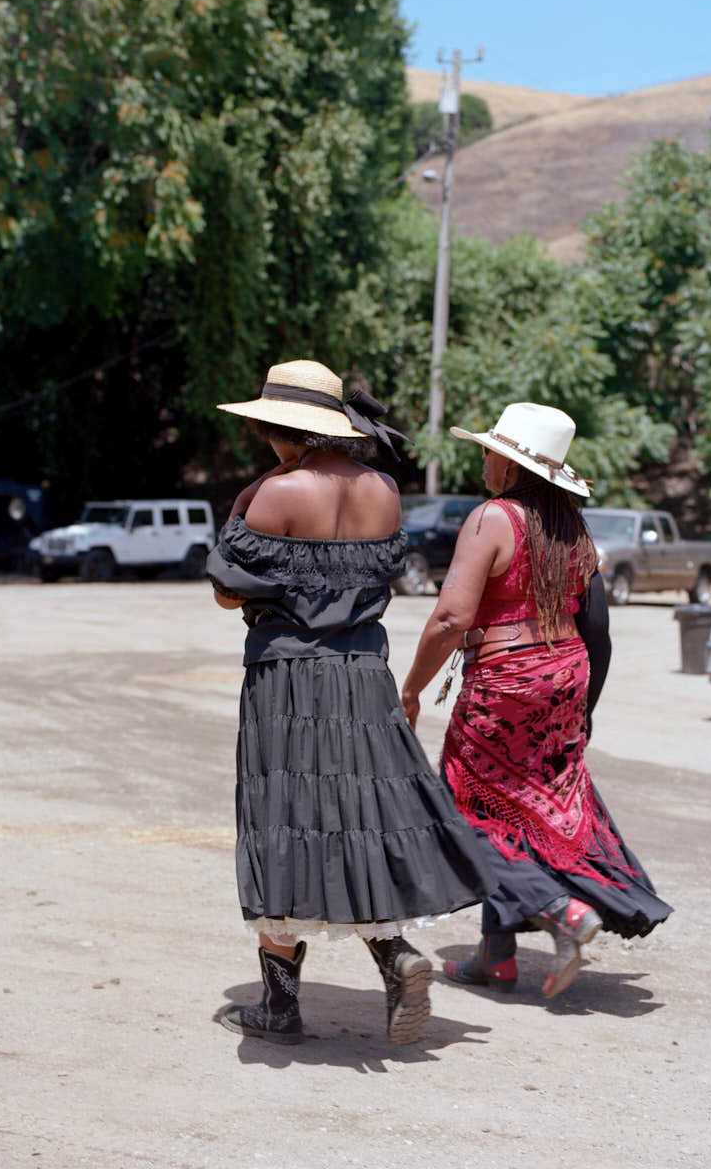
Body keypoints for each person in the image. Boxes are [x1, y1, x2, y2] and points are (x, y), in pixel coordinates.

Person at [207, 360, 495, 1046]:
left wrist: (250, 494)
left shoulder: (275, 494)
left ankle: (278, 1007)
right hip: (364, 673)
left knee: (283, 822)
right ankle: (395, 958)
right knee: (358, 817)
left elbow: (227, 590)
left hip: (288, 679)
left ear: (277, 425)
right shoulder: (384, 492)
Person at [402, 403, 672, 1000]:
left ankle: (560, 911)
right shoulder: (574, 531)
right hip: (565, 678)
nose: (483, 459)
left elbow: (450, 617)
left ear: (511, 463)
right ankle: (495, 957)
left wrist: (412, 687)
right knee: (517, 811)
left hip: (506, 681)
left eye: (490, 451)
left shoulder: (491, 519)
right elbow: (597, 628)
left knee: (463, 810)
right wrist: (585, 708)